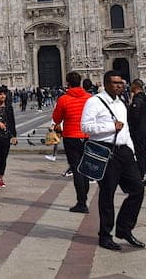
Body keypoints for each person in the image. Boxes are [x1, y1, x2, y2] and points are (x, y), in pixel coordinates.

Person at [81, 70, 145, 251]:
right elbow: (85, 126)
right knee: (107, 194)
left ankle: (124, 228)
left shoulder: (121, 103)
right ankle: (105, 235)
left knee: (137, 189)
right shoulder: (94, 101)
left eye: (121, 82)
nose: (120, 85)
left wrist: (131, 151)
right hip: (105, 152)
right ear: (106, 84)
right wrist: (110, 127)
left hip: (123, 151)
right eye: (116, 83)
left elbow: (124, 130)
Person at [51, 71, 91, 213]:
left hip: (71, 137)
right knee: (85, 168)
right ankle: (84, 197)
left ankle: (82, 202)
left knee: (76, 169)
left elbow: (56, 119)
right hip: (87, 137)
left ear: (67, 83)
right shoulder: (89, 98)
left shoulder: (63, 99)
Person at [128, 79, 146, 185]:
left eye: (131, 85)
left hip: (139, 131)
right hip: (144, 130)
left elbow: (135, 115)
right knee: (142, 153)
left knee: (139, 154)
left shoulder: (138, 99)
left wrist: (130, 107)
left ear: (135, 86)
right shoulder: (143, 97)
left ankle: (141, 177)